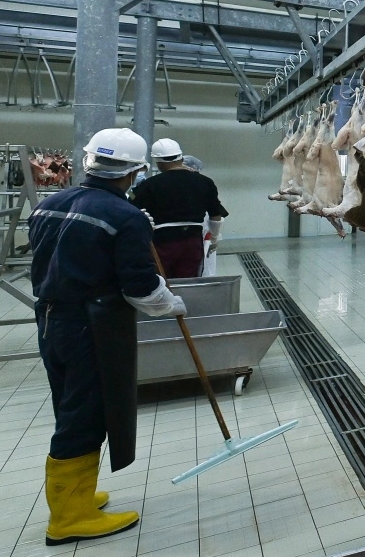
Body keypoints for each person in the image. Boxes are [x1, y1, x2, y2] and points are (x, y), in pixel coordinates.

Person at [28, 128, 187, 545]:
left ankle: (78, 494)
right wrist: (169, 303)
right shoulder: (125, 217)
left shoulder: (48, 204)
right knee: (88, 411)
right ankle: (67, 517)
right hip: (89, 325)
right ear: (134, 173)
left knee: (71, 405)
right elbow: (139, 288)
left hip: (49, 318)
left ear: (88, 162)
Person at [129, 138, 228, 279]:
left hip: (163, 242)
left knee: (162, 282)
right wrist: (215, 238)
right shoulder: (206, 182)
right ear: (180, 157)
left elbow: (130, 210)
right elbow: (216, 216)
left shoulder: (150, 185)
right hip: (193, 242)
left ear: (159, 162)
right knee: (187, 281)